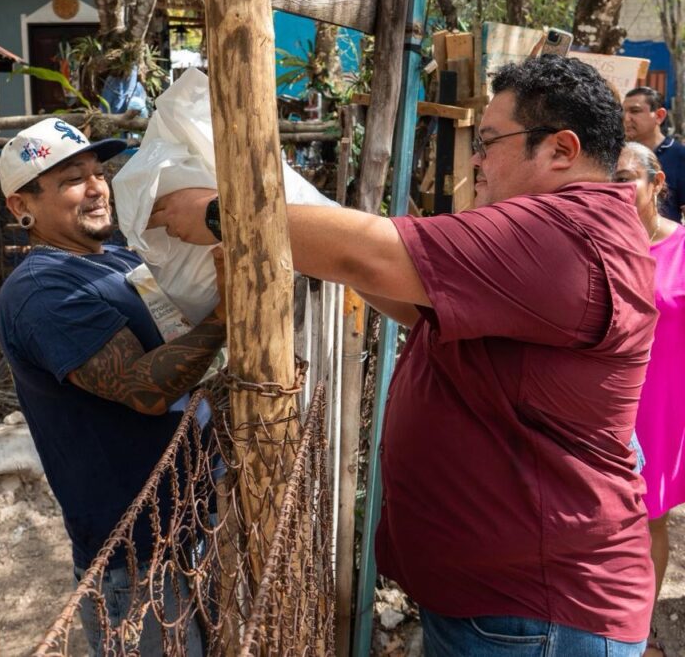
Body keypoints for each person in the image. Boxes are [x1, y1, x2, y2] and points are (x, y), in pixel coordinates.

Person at [150, 55, 657, 656]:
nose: (476, 158)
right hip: (514, 603)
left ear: (561, 150)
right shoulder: (570, 232)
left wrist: (220, 215)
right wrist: (335, 249)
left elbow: (372, 255)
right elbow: (423, 308)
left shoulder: (562, 233)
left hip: (537, 614)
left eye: (491, 141)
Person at [0, 117, 225, 656]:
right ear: (20, 206)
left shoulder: (117, 258)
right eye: (72, 179)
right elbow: (145, 388)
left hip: (189, 523)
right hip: (136, 557)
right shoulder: (41, 291)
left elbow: (177, 347)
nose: (97, 188)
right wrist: (228, 316)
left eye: (98, 173)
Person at [614, 142, 685, 657]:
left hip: (662, 400)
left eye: (626, 179)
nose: (616, 191)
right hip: (600, 393)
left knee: (648, 516)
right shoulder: (599, 243)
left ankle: (635, 637)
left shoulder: (682, 249)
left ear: (656, 184)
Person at [623, 86, 685, 221]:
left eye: (635, 111)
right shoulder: (619, 155)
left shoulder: (679, 155)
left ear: (659, 116)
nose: (626, 118)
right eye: (623, 112)